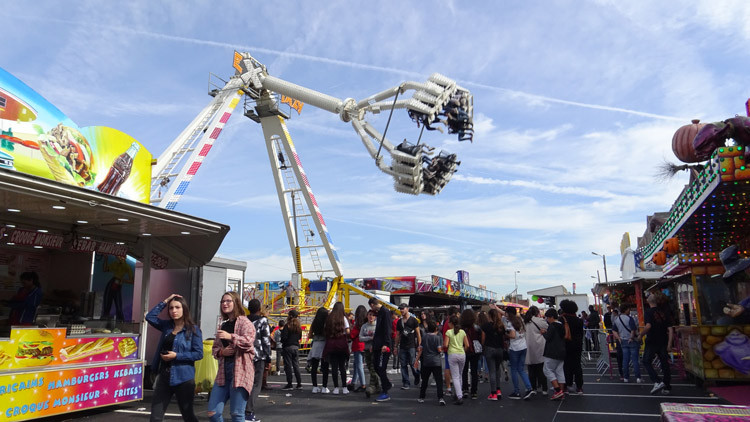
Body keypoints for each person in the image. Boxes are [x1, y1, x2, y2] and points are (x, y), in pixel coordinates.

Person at [146, 294, 202, 422]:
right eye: (171, 308)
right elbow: (150, 317)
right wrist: (165, 301)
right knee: (155, 417)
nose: (174, 311)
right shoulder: (167, 326)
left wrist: (176, 355)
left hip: (184, 378)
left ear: (184, 309)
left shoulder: (193, 330)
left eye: (177, 307)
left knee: (188, 416)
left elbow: (198, 354)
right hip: (164, 377)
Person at [207, 291, 256, 422]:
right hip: (224, 372)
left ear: (236, 303)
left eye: (228, 301)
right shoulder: (223, 324)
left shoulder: (245, 322)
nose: (225, 304)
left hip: (240, 371)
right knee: (213, 413)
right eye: (223, 301)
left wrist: (230, 337)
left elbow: (248, 342)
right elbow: (215, 348)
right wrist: (221, 352)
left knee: (237, 414)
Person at [637, 294, 674, 395]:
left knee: (646, 361)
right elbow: (670, 329)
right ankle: (667, 386)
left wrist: (641, 334)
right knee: (664, 363)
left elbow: (648, 326)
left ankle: (657, 381)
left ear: (648, 301)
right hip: (663, 340)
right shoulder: (664, 312)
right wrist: (670, 343)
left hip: (652, 340)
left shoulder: (648, 312)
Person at [245, 299, 271, 422]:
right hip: (258, 355)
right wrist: (268, 357)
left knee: (245, 384)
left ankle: (241, 409)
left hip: (245, 355)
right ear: (259, 309)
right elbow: (266, 340)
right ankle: (249, 412)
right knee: (256, 384)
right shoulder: (262, 321)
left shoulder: (243, 320)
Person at [504, 307, 534, 400]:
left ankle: (516, 392)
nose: (505, 314)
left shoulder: (510, 323)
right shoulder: (520, 320)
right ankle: (529, 388)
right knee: (521, 369)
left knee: (513, 370)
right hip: (523, 346)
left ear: (508, 314)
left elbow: (512, 336)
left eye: (506, 313)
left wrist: (506, 333)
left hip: (515, 348)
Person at [415, 319, 446, 405]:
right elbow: (439, 350)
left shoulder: (424, 337)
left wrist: (417, 360)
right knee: (439, 380)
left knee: (425, 380)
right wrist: (443, 349)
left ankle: (422, 397)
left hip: (426, 361)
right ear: (436, 328)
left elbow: (420, 349)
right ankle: (440, 397)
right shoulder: (438, 338)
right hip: (436, 361)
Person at [368, 297, 393, 402]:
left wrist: (386, 344)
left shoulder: (385, 312)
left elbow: (387, 329)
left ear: (372, 305)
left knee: (381, 368)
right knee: (376, 366)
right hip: (377, 345)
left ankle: (385, 392)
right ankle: (386, 383)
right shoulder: (379, 313)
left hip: (384, 345)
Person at [323, 301, 350, 394]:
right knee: (342, 367)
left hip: (331, 344)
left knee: (334, 367)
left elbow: (325, 330)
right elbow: (348, 331)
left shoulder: (329, 318)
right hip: (341, 344)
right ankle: (345, 387)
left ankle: (336, 388)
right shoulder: (343, 318)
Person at [612, 303, 642, 383]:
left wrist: (618, 338)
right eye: (629, 309)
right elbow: (633, 329)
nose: (629, 311)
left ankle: (626, 377)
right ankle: (638, 377)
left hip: (623, 340)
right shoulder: (630, 318)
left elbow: (614, 330)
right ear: (626, 310)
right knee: (635, 359)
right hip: (631, 340)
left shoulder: (617, 319)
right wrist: (632, 337)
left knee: (625, 360)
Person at [559, 299, 584, 394]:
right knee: (577, 366)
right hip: (577, 345)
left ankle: (566, 385)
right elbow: (581, 334)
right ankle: (579, 387)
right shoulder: (579, 320)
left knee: (566, 366)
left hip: (565, 345)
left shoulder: (561, 319)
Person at [444, 314, 469, 404]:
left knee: (455, 376)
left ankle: (459, 396)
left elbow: (446, 345)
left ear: (450, 323)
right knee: (460, 374)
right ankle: (459, 392)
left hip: (452, 354)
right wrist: (463, 350)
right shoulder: (462, 332)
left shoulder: (448, 332)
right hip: (462, 354)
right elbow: (467, 345)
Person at [481, 308, 506, 400]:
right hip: (499, 349)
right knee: (497, 369)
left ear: (489, 316)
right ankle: (498, 390)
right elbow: (503, 338)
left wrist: (483, 346)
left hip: (489, 349)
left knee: (491, 371)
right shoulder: (501, 326)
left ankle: (493, 393)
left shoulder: (485, 326)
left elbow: (483, 339)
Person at [542, 309, 566, 401]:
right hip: (562, 351)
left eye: (547, 318)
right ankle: (561, 391)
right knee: (560, 371)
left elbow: (548, 338)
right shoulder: (561, 325)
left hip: (552, 352)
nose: (547, 320)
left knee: (547, 370)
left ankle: (558, 390)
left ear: (552, 317)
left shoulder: (552, 326)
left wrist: (544, 333)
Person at [523, 306, 548, 395]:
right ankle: (544, 388)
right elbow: (547, 328)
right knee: (541, 369)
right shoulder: (540, 321)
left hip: (528, 346)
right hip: (540, 346)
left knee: (531, 369)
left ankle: (533, 388)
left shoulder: (525, 321)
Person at [396, 303, 421, 390]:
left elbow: (418, 334)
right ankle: (406, 382)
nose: (401, 310)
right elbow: (398, 335)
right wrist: (395, 346)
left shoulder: (413, 320)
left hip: (411, 346)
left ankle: (417, 375)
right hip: (402, 346)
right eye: (400, 309)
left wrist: (419, 345)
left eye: (403, 308)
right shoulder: (399, 322)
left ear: (407, 309)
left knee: (412, 363)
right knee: (403, 365)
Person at [101, 256, 133, 321]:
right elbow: (105, 269)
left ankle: (121, 321)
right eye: (118, 256)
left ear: (124, 257)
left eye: (120, 256)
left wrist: (123, 280)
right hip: (112, 283)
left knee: (118, 305)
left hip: (118, 283)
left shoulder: (127, 267)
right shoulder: (115, 263)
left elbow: (132, 281)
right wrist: (106, 259)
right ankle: (105, 319)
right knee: (107, 303)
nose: (118, 258)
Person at [308, 307, 330, 394]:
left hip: (316, 344)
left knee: (314, 366)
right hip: (325, 344)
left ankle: (315, 387)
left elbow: (309, 335)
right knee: (325, 367)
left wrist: (315, 337)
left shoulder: (314, 322)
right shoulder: (327, 323)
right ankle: (324, 387)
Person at [460, 309, 481, 399]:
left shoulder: (460, 328)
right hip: (475, 350)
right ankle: (474, 391)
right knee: (474, 371)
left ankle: (465, 389)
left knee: (464, 371)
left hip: (464, 349)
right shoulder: (477, 328)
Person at [281, 309, 303, 390]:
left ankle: (289, 384)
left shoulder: (287, 326)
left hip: (288, 347)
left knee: (288, 366)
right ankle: (299, 383)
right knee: (296, 365)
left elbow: (284, 337)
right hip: (296, 347)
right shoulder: (298, 327)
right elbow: (300, 337)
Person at [359, 309, 380, 398]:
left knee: (373, 368)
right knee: (369, 367)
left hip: (375, 350)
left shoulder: (377, 326)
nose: (371, 316)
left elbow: (378, 337)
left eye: (373, 315)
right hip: (366, 349)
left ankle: (373, 387)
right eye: (369, 314)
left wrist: (373, 339)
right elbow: (360, 338)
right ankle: (377, 386)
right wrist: (369, 338)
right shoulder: (364, 326)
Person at [441, 306, 460, 395]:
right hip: (456, 349)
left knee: (448, 368)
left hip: (448, 348)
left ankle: (449, 388)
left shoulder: (446, 322)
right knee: (456, 370)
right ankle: (458, 390)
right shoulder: (453, 323)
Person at [350, 305, 368, 392]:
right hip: (365, 345)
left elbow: (352, 335)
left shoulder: (357, 325)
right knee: (357, 364)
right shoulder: (366, 323)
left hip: (358, 345)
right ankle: (353, 382)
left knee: (359, 365)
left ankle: (363, 384)